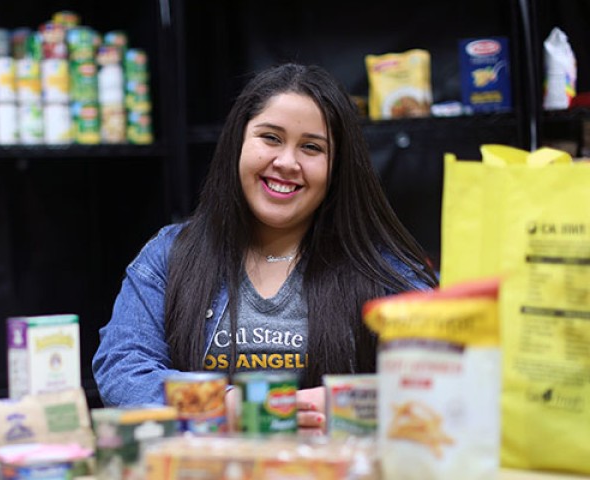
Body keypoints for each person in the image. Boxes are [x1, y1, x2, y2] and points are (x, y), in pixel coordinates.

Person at [92, 63, 438, 434]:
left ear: (337, 168)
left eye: (311, 147)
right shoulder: (170, 254)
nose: (286, 162)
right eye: (270, 138)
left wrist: (344, 401)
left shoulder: (383, 268)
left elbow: (434, 373)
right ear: (238, 142)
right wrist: (227, 406)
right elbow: (123, 367)